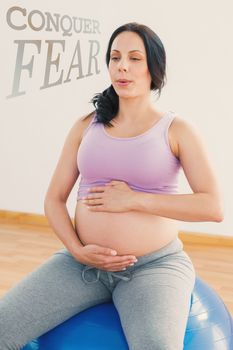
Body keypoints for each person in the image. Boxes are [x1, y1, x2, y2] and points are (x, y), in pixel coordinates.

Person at [0, 22, 223, 350]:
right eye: (115, 57)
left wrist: (134, 200)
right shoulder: (85, 126)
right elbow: (54, 199)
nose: (122, 66)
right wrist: (77, 249)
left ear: (154, 68)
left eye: (135, 58)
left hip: (153, 267)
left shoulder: (177, 130)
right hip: (81, 262)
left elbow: (212, 207)